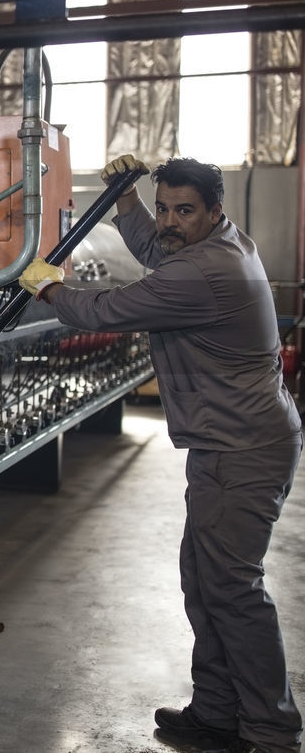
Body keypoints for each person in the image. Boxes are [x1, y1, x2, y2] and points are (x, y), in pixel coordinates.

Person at [20, 155, 302, 753]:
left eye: (184, 211)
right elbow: (157, 249)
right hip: (232, 441)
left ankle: (272, 733)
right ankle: (219, 712)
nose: (171, 221)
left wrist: (45, 285)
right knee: (205, 582)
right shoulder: (220, 243)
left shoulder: (206, 272)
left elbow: (104, 311)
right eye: (166, 207)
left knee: (232, 589)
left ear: (214, 211)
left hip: (241, 448)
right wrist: (127, 200)